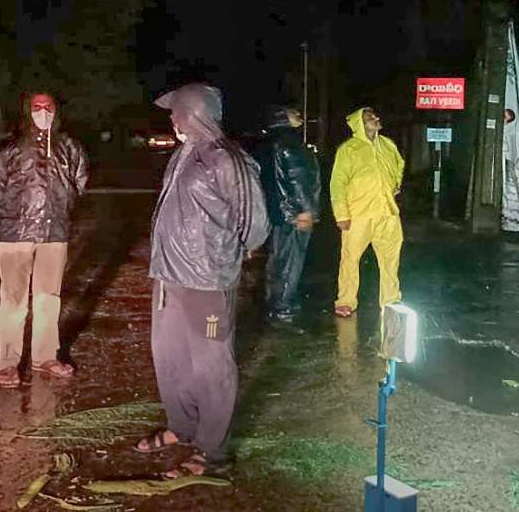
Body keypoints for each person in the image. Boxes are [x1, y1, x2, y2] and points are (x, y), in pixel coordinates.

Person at [136, 83, 269, 478]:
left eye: (175, 111)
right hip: (168, 275)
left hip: (207, 281)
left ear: (194, 112)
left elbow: (255, 223)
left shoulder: (228, 160)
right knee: (169, 356)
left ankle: (214, 449)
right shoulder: (183, 155)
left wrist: (227, 253)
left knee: (212, 366)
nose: (172, 119)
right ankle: (182, 427)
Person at [0, 91, 89, 389]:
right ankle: (8, 364)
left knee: (48, 298)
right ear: (26, 111)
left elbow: (80, 183)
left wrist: (60, 209)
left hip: (54, 233)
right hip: (16, 234)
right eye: (36, 107)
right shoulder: (9, 148)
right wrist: (17, 215)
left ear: (57, 111)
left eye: (48, 107)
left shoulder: (69, 147)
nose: (42, 112)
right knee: (13, 300)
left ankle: (45, 357)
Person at [329, 107, 405, 318]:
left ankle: (390, 299)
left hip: (387, 213)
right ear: (359, 123)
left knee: (391, 259)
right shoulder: (348, 149)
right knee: (350, 259)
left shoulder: (387, 145)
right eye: (369, 117)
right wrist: (341, 214)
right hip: (359, 215)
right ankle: (346, 300)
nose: (376, 119)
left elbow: (400, 163)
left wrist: (396, 183)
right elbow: (338, 183)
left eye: (375, 116)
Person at [255, 105, 322, 322]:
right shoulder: (290, 144)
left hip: (278, 212)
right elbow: (297, 179)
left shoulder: (272, 143)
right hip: (292, 214)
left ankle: (274, 301)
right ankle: (283, 307)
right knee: (291, 261)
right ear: (282, 118)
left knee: (278, 260)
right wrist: (306, 211)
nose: (299, 115)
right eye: (294, 113)